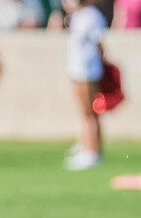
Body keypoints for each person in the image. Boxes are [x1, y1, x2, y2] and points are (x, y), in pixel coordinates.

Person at [63, 0, 107, 171]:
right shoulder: (78, 15)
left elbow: (100, 44)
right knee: (85, 112)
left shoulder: (91, 15)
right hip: (78, 69)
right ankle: (86, 146)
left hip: (88, 70)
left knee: (90, 112)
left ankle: (92, 151)